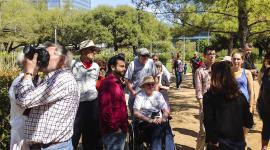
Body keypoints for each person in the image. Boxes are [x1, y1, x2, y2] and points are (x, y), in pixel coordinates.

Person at [15, 42, 79, 149]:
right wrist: (33, 73)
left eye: (47, 55)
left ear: (62, 60)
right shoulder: (50, 79)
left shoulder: (62, 79)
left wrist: (29, 72)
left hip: (54, 147)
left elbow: (23, 100)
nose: (42, 58)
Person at [203, 61, 254, 150]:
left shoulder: (209, 97)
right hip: (236, 143)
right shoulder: (240, 96)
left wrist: (213, 141)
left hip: (219, 144)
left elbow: (208, 122)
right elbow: (249, 122)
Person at [71, 40, 102, 150]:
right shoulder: (73, 65)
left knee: (91, 136)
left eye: (94, 50)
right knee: (74, 134)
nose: (94, 52)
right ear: (83, 51)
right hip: (77, 105)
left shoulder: (96, 66)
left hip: (93, 104)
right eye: (91, 49)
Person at [133, 76, 174, 150]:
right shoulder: (140, 96)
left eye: (152, 84)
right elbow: (136, 112)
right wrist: (149, 120)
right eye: (148, 84)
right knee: (161, 128)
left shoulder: (158, 95)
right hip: (145, 123)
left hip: (160, 122)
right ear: (143, 86)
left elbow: (165, 110)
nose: (151, 86)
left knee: (166, 128)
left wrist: (163, 118)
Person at [9, 51, 39, 150]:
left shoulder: (36, 80)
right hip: (20, 131)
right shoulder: (19, 82)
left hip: (31, 132)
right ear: (25, 63)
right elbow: (23, 103)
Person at [98, 54, 128, 150]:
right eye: (121, 66)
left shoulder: (117, 82)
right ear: (113, 67)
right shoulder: (107, 83)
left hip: (120, 129)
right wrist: (115, 128)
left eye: (125, 66)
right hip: (113, 132)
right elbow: (105, 110)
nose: (125, 69)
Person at [194, 46, 216, 150]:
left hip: (218, 104)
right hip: (205, 104)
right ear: (204, 56)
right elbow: (199, 92)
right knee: (203, 131)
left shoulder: (218, 69)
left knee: (215, 131)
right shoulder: (199, 71)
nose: (212, 56)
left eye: (213, 54)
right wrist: (203, 107)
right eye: (209, 54)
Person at [125, 48, 157, 112]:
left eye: (147, 56)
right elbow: (127, 79)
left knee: (147, 113)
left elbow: (155, 76)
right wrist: (132, 91)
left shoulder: (151, 62)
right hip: (135, 94)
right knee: (135, 114)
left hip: (147, 93)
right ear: (139, 55)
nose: (146, 57)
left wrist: (155, 89)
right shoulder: (133, 64)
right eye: (143, 56)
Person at [257, 52, 270, 150]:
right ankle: (264, 147)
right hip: (265, 105)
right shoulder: (264, 71)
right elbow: (261, 86)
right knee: (266, 127)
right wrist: (258, 100)